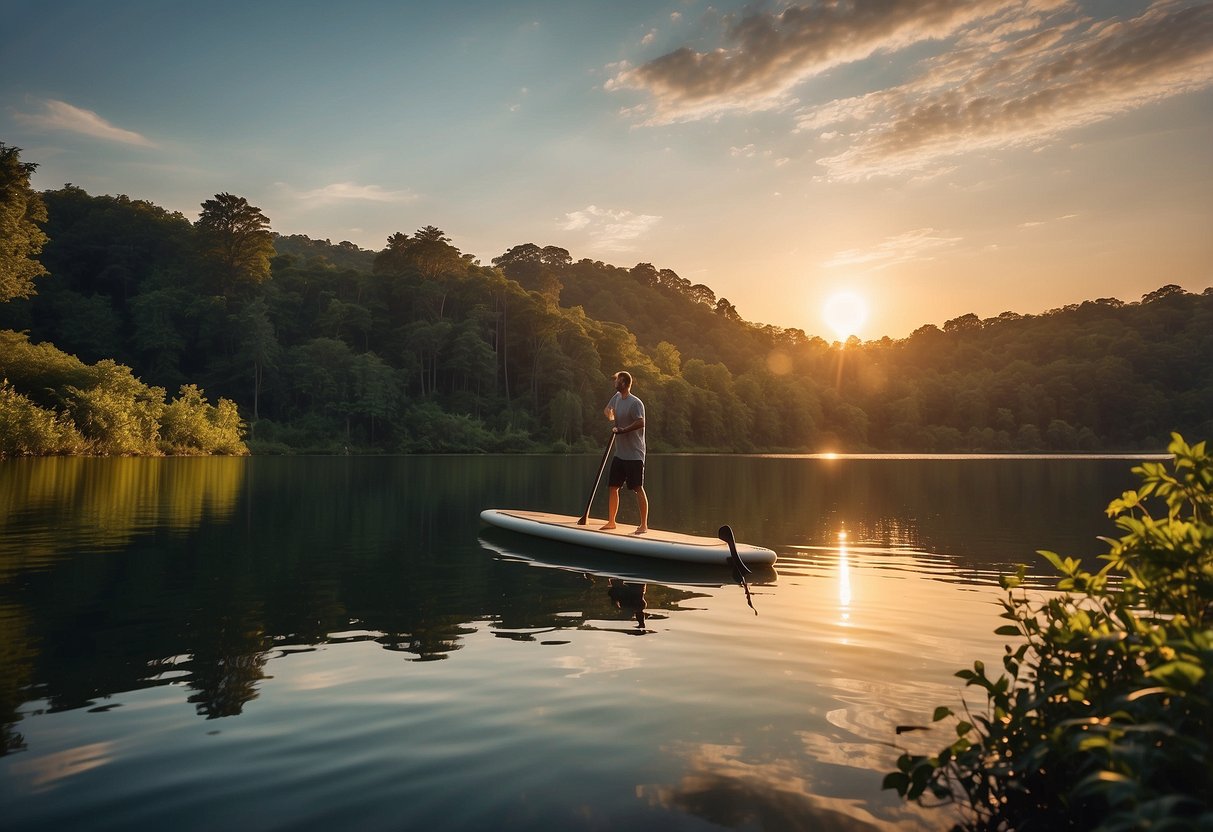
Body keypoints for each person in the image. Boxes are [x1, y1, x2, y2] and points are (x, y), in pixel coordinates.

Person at [600, 370, 648, 534]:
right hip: (620, 453)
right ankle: (611, 522)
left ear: (625, 383)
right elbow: (608, 410)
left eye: (618, 381)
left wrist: (623, 430)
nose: (615, 383)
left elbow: (641, 422)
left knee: (637, 488)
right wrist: (609, 414)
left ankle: (643, 525)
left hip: (635, 453)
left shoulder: (635, 403)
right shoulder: (617, 398)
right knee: (613, 486)